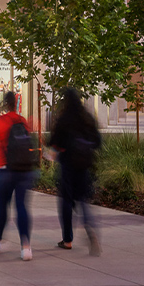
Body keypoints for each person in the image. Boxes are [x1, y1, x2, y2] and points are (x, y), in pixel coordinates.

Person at [48, 87, 101, 255]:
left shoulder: (64, 119)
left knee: (66, 202)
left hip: (67, 166)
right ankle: (91, 231)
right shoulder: (87, 118)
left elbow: (53, 141)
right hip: (84, 166)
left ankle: (68, 240)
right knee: (83, 200)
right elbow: (98, 141)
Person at [0, 91, 36, 261]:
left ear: (4, 104)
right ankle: (26, 247)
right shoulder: (22, 121)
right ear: (16, 104)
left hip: (3, 170)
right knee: (21, 207)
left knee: (2, 207)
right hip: (23, 170)